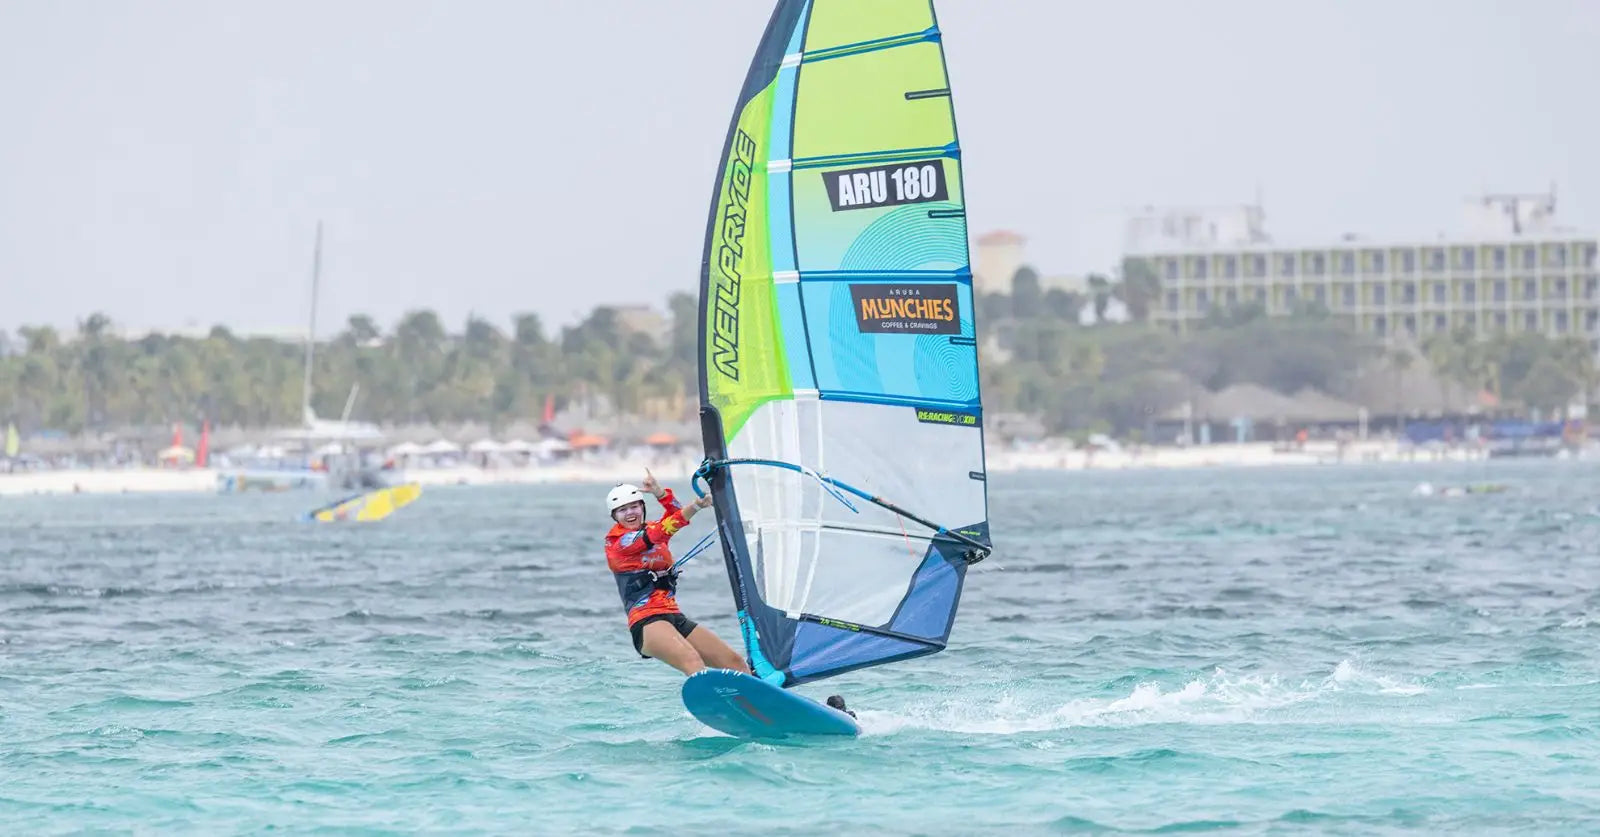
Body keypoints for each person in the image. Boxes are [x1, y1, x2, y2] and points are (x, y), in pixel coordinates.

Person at [604, 470, 752, 677]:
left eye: (634, 506)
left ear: (642, 507)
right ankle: (709, 706)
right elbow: (663, 530)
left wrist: (659, 492)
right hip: (646, 621)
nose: (630, 513)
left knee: (736, 664)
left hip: (673, 615)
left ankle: (758, 705)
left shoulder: (652, 531)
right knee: (693, 662)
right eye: (622, 510)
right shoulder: (618, 543)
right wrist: (696, 506)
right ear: (614, 515)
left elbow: (673, 515)